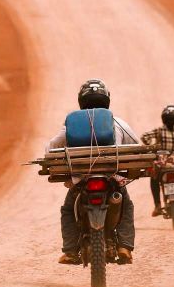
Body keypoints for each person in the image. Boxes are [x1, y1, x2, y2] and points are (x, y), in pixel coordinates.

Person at [46, 78, 139, 265]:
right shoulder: (117, 122)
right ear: (106, 99)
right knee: (126, 204)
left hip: (81, 180)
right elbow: (136, 146)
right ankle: (124, 246)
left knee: (67, 209)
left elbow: (51, 148)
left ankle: (71, 251)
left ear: (81, 100)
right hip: (112, 178)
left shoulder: (71, 126)